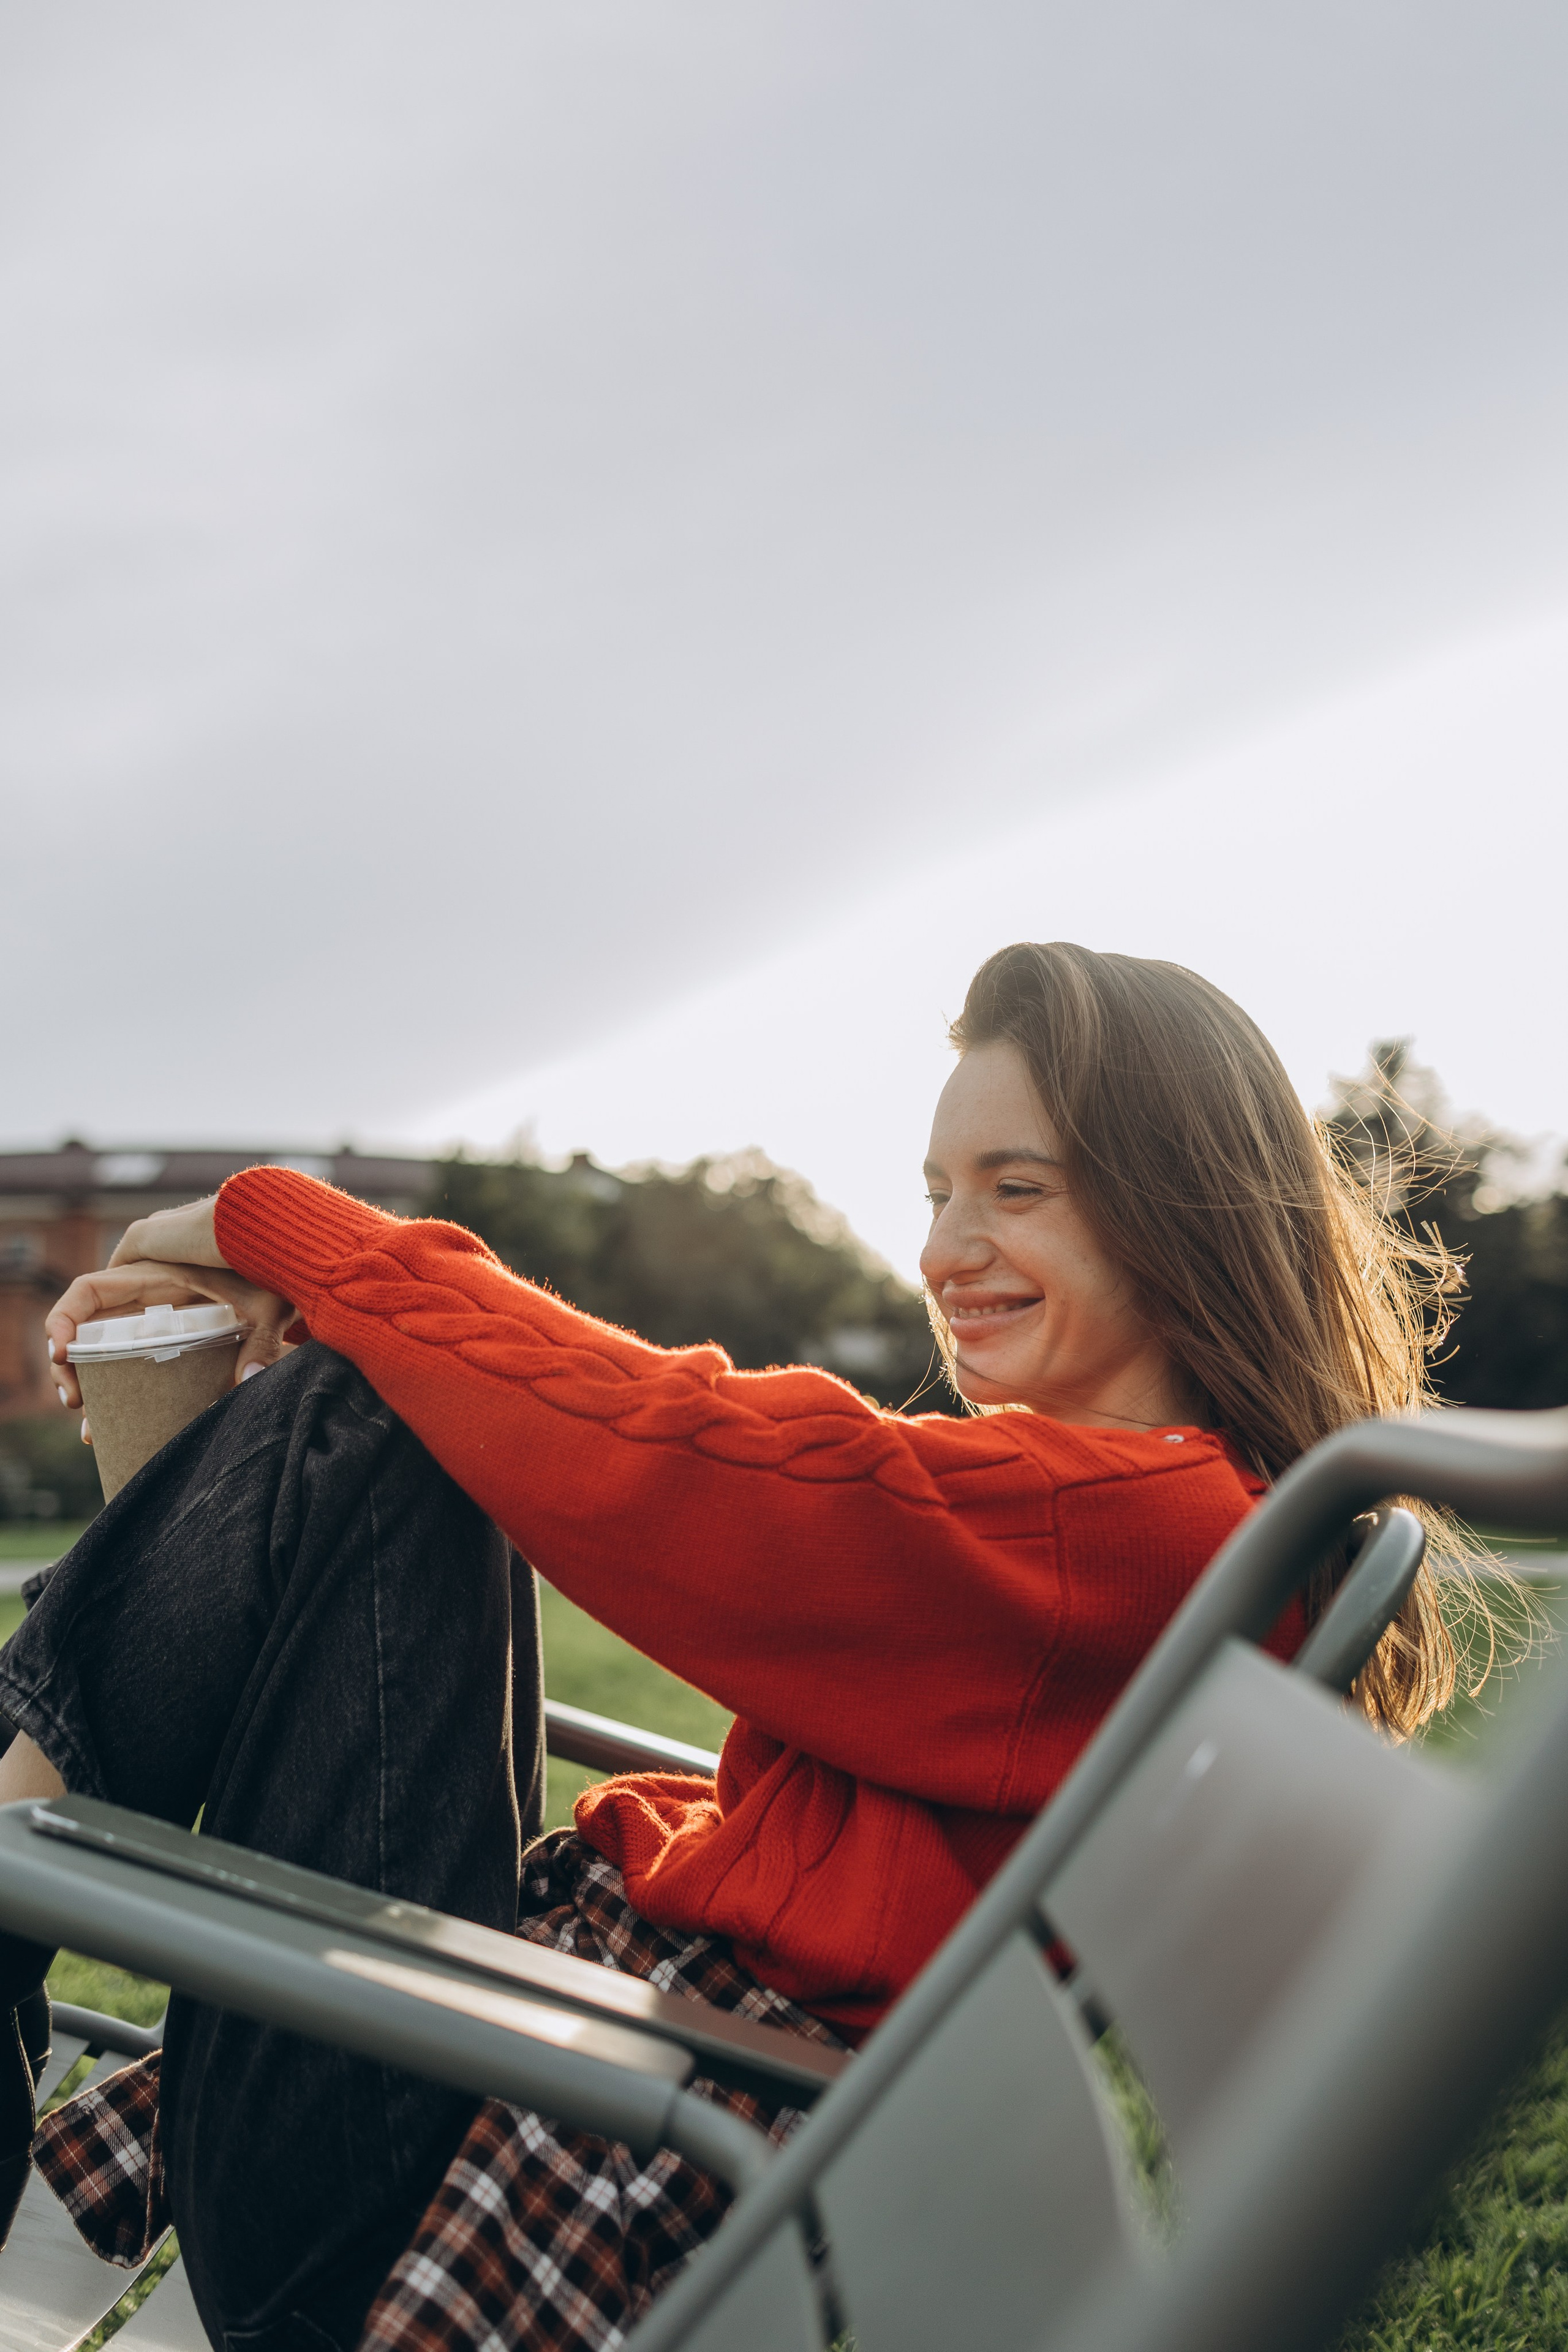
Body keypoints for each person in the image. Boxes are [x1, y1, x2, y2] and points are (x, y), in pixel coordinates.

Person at [0, 943, 1463, 2352]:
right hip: (518, 2084)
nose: (947, 1252)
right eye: (938, 1192)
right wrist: (335, 1307)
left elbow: (663, 1453)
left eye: (1014, 1192)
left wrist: (280, 1228)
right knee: (399, 1404)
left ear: (1178, 1209)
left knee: (381, 1412)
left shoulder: (1118, 1532)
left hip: (475, 2193)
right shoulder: (1130, 1527)